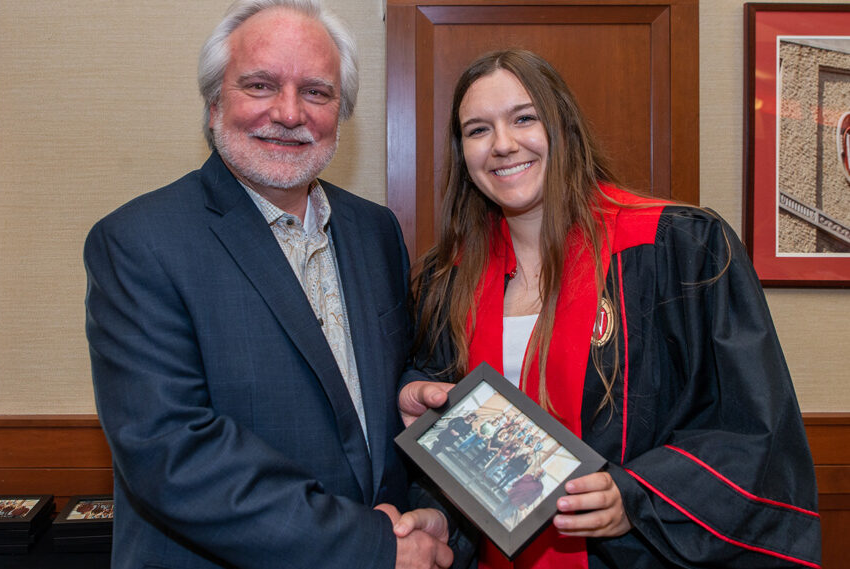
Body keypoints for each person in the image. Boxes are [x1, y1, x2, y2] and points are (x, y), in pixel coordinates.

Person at [398, 49, 821, 568]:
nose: (503, 145)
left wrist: (639, 497)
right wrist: (419, 403)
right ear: (462, 151)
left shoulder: (679, 248)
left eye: (524, 118)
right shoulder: (447, 281)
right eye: (477, 130)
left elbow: (753, 428)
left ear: (564, 128)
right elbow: (448, 436)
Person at [84, 1, 456, 568]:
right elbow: (173, 456)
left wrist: (423, 495)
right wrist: (370, 546)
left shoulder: (374, 230)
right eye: (260, 85)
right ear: (214, 104)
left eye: (316, 92)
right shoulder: (139, 242)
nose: (288, 113)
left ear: (341, 111)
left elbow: (379, 381)